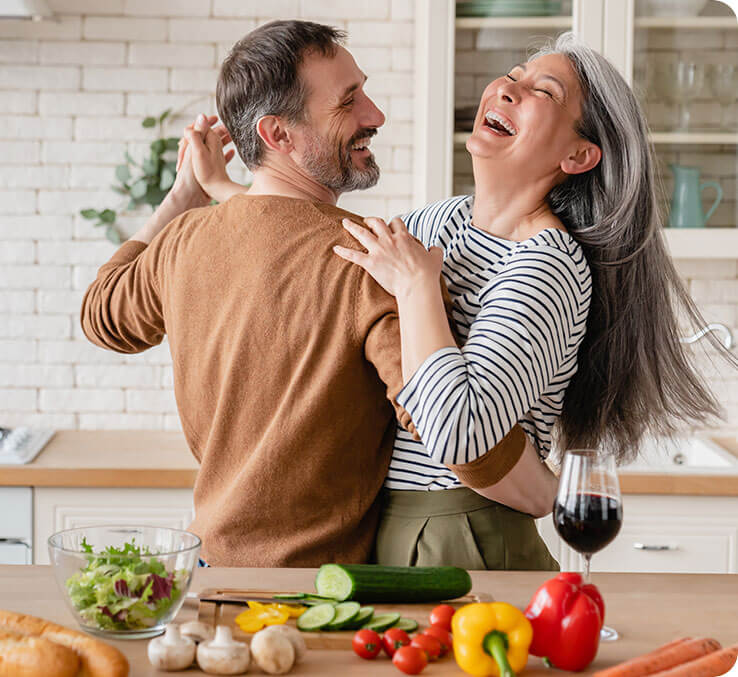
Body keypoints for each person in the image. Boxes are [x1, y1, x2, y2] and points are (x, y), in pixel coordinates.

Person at [187, 30, 732, 570]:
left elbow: (459, 432)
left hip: (467, 532)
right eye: (514, 76)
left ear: (578, 154)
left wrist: (419, 288)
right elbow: (323, 245)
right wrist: (224, 189)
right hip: (387, 527)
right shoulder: (438, 221)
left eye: (544, 92)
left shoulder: (547, 266)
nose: (507, 88)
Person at [80, 20, 545, 568]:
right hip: (314, 597)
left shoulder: (183, 241)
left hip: (207, 573)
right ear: (278, 135)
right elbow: (460, 439)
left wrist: (182, 196)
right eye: (349, 102)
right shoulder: (372, 262)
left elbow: (100, 315)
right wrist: (556, 497)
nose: (375, 115)